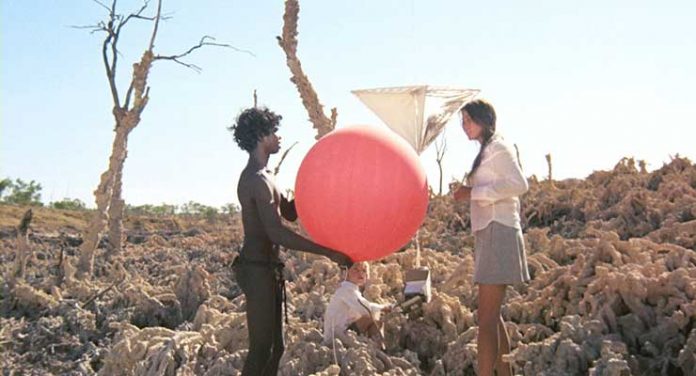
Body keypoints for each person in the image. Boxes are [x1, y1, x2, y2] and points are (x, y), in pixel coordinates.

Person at [230, 106, 352, 376]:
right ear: (262, 136)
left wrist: (324, 178)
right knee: (261, 349)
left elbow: (291, 212)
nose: (278, 137)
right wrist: (328, 252)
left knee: (277, 348)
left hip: (268, 269)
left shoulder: (268, 177)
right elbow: (277, 233)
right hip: (256, 269)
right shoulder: (255, 179)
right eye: (274, 132)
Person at [452, 99, 530, 376]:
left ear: (484, 120)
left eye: (468, 121)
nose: (464, 127)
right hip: (489, 232)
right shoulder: (486, 152)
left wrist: (472, 193)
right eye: (462, 122)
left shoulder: (499, 147)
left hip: (500, 230)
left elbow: (519, 184)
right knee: (492, 318)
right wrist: (466, 190)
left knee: (485, 320)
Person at [323, 261, 392, 349]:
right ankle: (380, 350)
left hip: (344, 333)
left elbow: (367, 305)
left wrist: (383, 308)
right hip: (336, 338)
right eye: (356, 269)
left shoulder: (352, 290)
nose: (360, 273)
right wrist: (382, 309)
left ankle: (377, 349)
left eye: (364, 270)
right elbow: (366, 310)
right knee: (370, 318)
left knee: (376, 321)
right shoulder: (346, 290)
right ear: (346, 273)